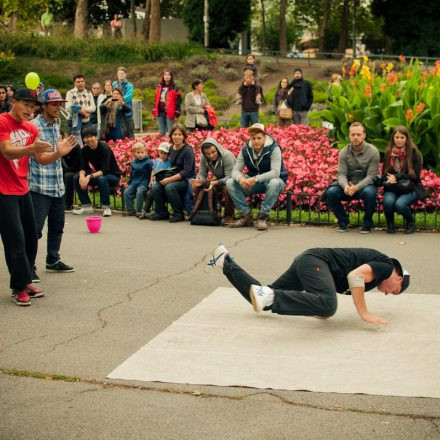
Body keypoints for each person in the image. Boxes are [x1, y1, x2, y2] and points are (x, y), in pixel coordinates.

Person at [208, 245, 410, 325]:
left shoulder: (373, 279)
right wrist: (364, 313)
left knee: (261, 298)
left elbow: (341, 281)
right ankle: (272, 296)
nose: (388, 294)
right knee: (329, 305)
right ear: (399, 278)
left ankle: (225, 261)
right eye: (394, 292)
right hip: (315, 262)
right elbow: (355, 276)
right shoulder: (385, 266)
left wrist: (314, 305)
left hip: (311, 263)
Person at [0, 88, 53, 306]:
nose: (30, 110)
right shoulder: (2, 122)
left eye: (33, 107)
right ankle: (19, 287)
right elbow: (7, 152)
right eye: (26, 105)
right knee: (16, 241)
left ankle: (26, 279)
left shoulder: (30, 128)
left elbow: (41, 158)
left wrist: (58, 152)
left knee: (32, 238)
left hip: (22, 189)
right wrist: (32, 147)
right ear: (13, 102)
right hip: (3, 191)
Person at [29, 89, 77, 281]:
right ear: (44, 106)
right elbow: (40, 159)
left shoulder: (56, 123)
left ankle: (52, 259)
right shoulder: (34, 127)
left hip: (57, 185)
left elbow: (58, 151)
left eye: (60, 103)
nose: (58, 107)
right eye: (54, 104)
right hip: (40, 187)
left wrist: (61, 151)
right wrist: (59, 153)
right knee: (35, 230)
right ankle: (28, 265)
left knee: (57, 226)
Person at [226, 123, 288, 230]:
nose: (256, 141)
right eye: (253, 138)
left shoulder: (274, 148)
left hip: (274, 182)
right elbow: (235, 170)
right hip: (253, 183)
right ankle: (246, 216)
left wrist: (256, 179)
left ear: (265, 137)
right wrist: (241, 179)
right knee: (230, 182)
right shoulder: (245, 149)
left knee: (274, 182)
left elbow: (275, 172)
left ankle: (263, 217)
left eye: (259, 138)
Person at [326, 122, 380, 233]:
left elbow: (371, 176)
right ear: (349, 135)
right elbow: (341, 174)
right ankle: (343, 221)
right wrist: (345, 186)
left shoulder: (373, 152)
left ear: (364, 135)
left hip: (364, 186)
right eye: (353, 134)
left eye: (359, 134)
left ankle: (367, 223)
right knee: (331, 192)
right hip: (348, 185)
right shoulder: (344, 152)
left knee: (370, 193)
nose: (356, 137)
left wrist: (357, 187)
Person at [382, 126, 426, 234]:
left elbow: (415, 175)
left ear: (407, 138)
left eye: (402, 137)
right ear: (393, 138)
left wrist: (397, 177)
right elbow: (384, 173)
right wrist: (389, 178)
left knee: (400, 204)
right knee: (388, 202)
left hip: (410, 186)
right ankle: (390, 224)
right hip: (393, 187)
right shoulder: (388, 153)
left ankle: (410, 223)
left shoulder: (414, 152)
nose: (399, 140)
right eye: (396, 137)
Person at [149, 124, 195, 222]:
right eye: (174, 134)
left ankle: (178, 214)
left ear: (184, 136)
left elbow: (186, 172)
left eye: (179, 134)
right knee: (156, 187)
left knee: (169, 187)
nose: (177, 137)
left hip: (185, 179)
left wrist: (169, 180)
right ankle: (161, 213)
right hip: (173, 176)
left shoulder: (187, 150)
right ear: (171, 136)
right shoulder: (171, 148)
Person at [72, 126, 122, 217]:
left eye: (91, 136)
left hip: (112, 176)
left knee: (102, 179)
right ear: (83, 139)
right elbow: (82, 167)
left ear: (96, 136)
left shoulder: (104, 148)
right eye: (86, 137)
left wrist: (89, 176)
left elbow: (105, 170)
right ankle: (86, 206)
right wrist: (82, 177)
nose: (89, 139)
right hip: (99, 175)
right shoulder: (84, 150)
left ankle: (106, 207)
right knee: (76, 178)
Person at [191, 138, 236, 224]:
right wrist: (200, 180)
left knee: (228, 188)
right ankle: (207, 211)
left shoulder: (227, 156)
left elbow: (230, 177)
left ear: (217, 148)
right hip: (217, 181)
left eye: (213, 152)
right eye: (207, 153)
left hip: (232, 180)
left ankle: (229, 215)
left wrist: (215, 182)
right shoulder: (204, 158)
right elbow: (202, 174)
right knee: (195, 186)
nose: (211, 156)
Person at [139, 142, 171, 219]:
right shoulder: (157, 161)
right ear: (158, 152)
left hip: (163, 184)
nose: (163, 155)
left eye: (165, 153)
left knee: (151, 193)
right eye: (161, 153)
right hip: (156, 184)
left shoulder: (169, 163)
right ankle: (146, 211)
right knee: (150, 194)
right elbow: (153, 171)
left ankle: (147, 211)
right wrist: (151, 180)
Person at [123, 142, 153, 217]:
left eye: (142, 152)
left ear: (145, 152)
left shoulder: (149, 162)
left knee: (139, 192)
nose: (140, 154)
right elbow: (132, 174)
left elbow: (152, 173)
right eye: (138, 152)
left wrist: (151, 183)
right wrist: (129, 183)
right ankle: (131, 210)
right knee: (127, 192)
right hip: (134, 182)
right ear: (135, 153)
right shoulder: (133, 162)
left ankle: (139, 211)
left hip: (144, 183)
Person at [65, 75, 96, 140]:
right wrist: (81, 111)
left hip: (86, 122)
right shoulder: (70, 93)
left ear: (84, 82)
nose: (80, 83)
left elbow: (93, 107)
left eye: (82, 81)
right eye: (78, 82)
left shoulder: (88, 93)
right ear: (74, 83)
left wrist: (84, 110)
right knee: (73, 144)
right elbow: (67, 107)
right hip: (73, 122)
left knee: (87, 142)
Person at [152, 70, 182, 136]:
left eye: (168, 75)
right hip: (160, 112)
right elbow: (156, 101)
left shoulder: (176, 87)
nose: (167, 76)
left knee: (171, 132)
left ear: (171, 76)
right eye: (165, 74)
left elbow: (179, 102)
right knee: (161, 133)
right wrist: (154, 113)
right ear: (163, 76)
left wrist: (177, 113)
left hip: (170, 113)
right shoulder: (159, 87)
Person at [62, 137, 81, 212]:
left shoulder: (75, 147)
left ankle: (68, 204)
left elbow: (77, 166)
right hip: (66, 170)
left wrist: (63, 171)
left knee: (68, 176)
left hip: (77, 171)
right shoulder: (57, 147)